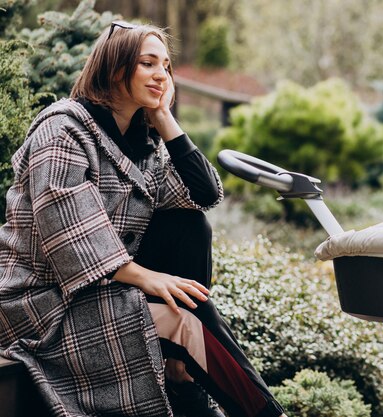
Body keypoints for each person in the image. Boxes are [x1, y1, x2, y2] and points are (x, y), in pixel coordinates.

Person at [0, 21, 286, 417]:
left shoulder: (143, 143)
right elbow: (67, 233)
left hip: (104, 289)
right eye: (148, 64)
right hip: (44, 303)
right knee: (184, 322)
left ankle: (181, 373)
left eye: (166, 66)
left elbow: (201, 194)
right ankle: (263, 412)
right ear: (116, 69)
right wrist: (147, 278)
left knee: (189, 225)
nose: (161, 75)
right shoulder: (62, 130)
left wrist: (165, 119)